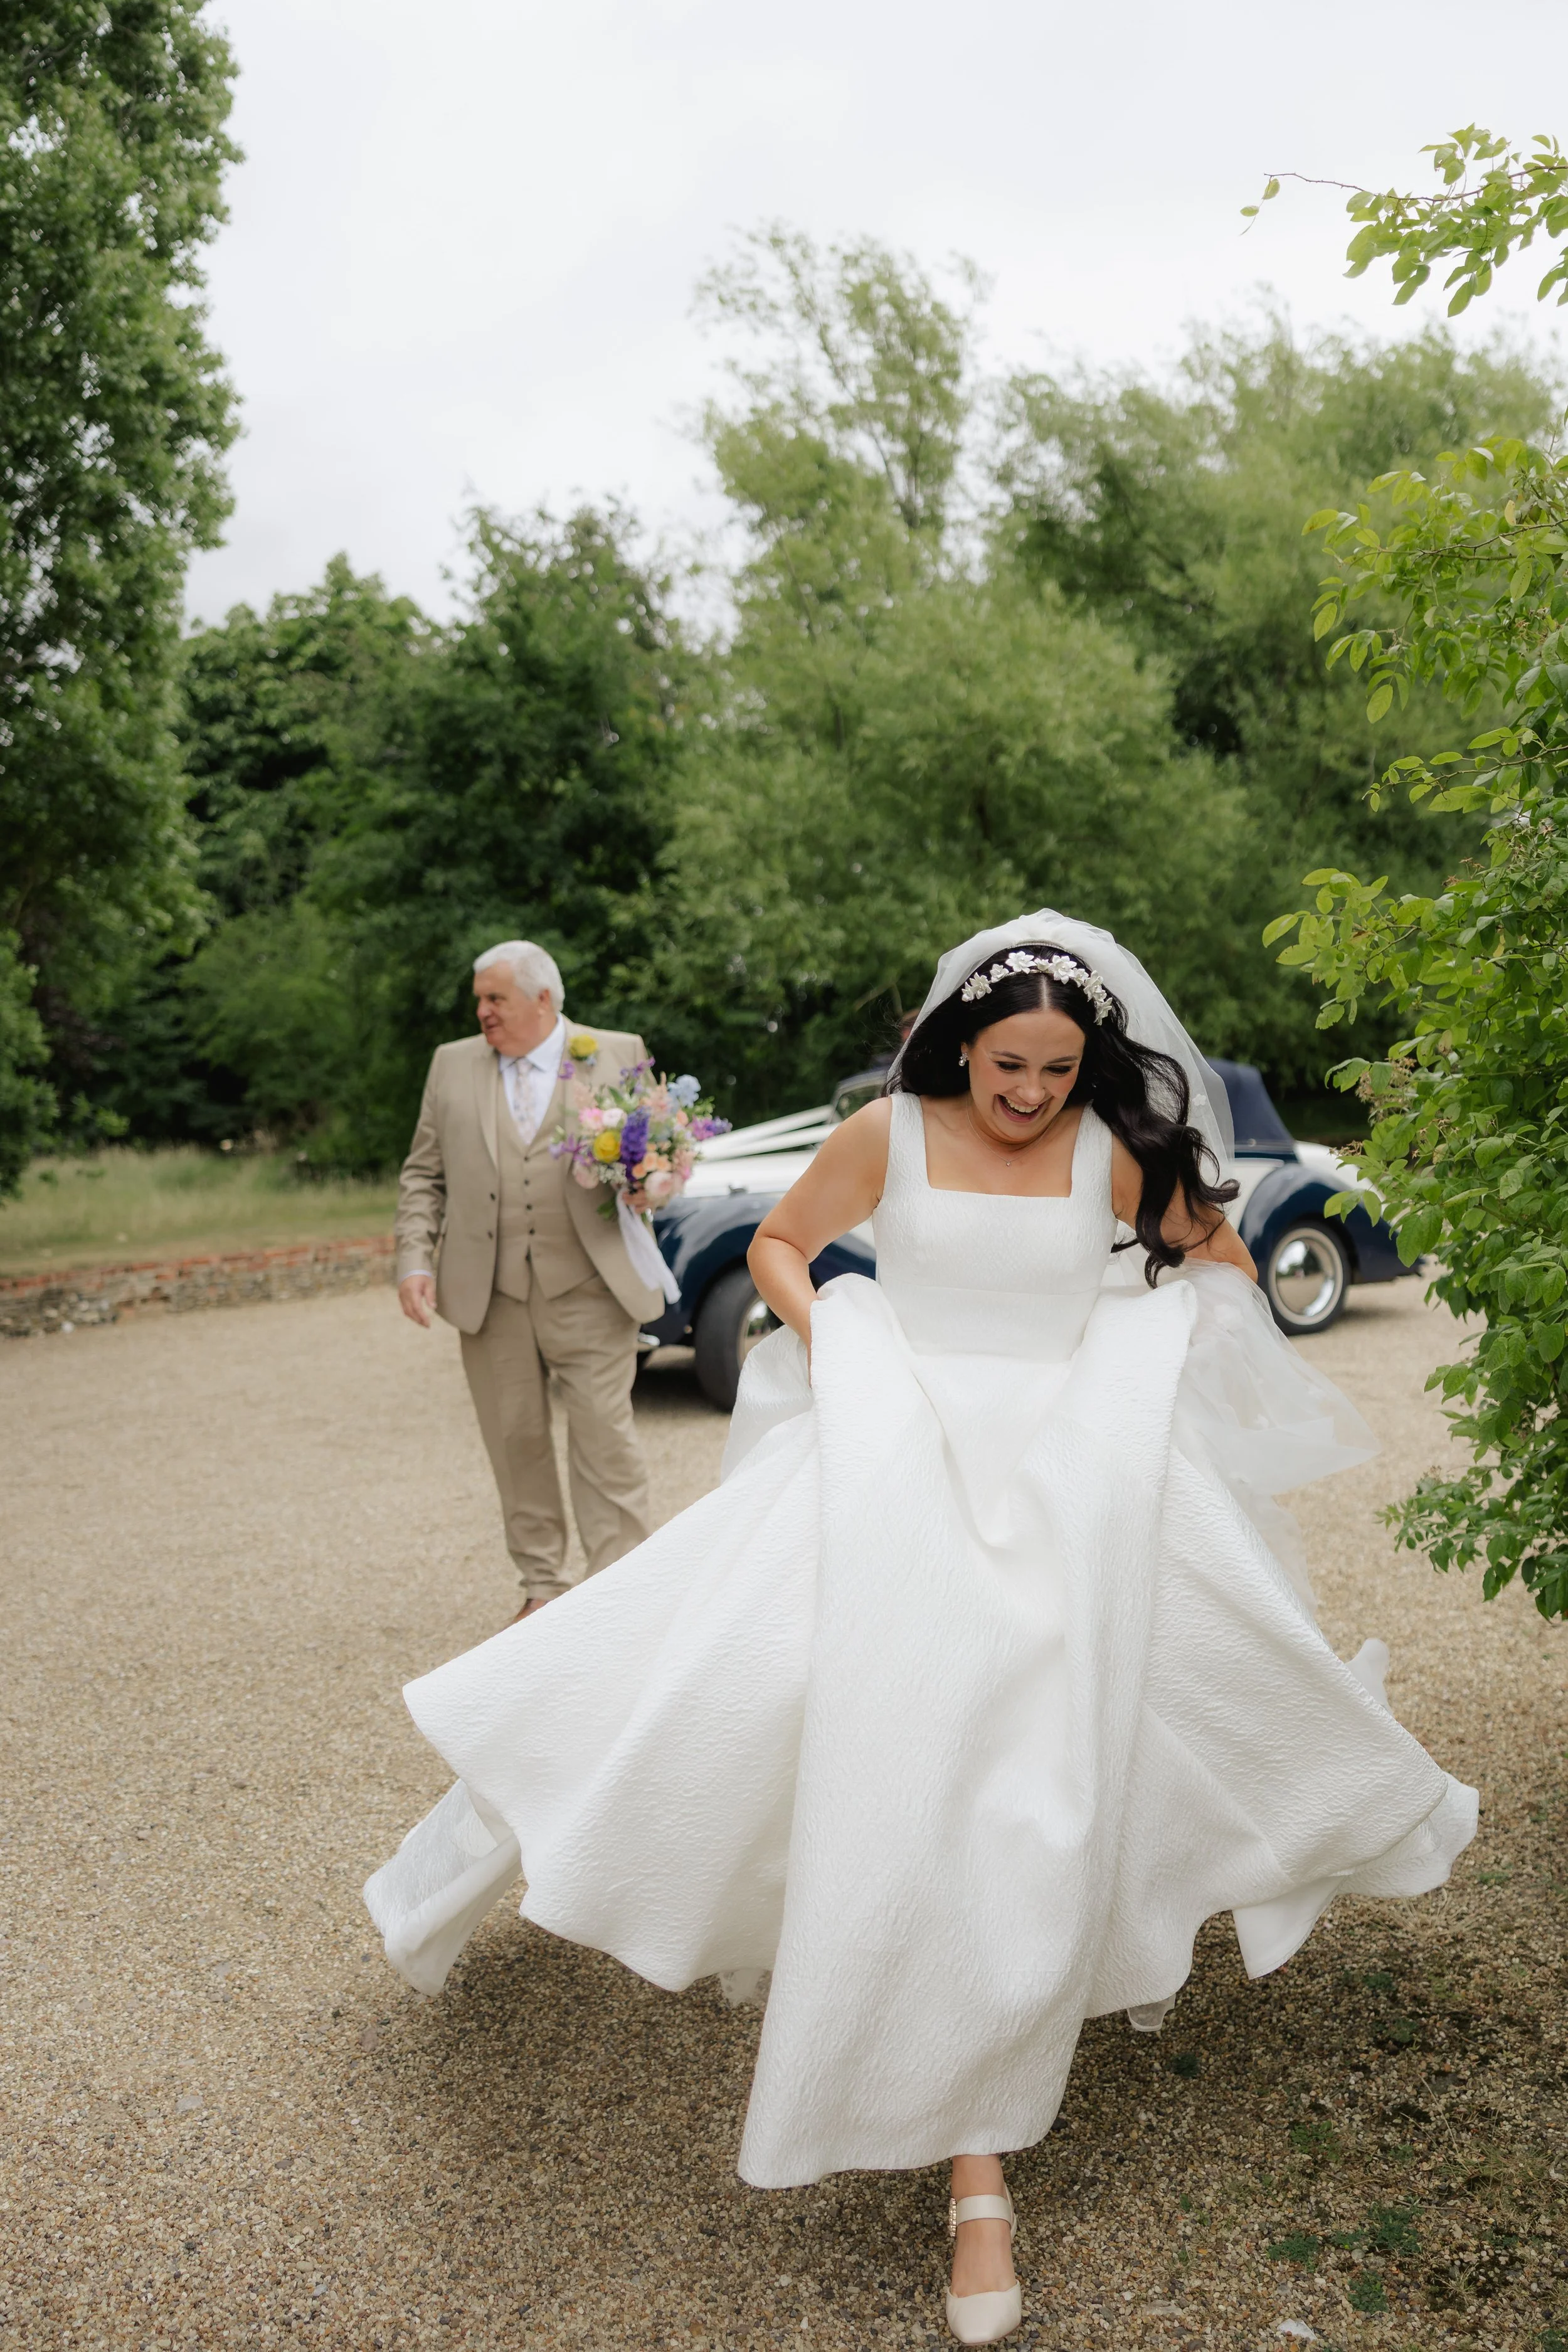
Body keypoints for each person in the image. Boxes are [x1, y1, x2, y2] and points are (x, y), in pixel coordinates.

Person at [367, 911, 1476, 2346]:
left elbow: (1218, 1264)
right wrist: (832, 1332)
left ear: (1091, 1060)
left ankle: (982, 2136)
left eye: (1059, 1068)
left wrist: (1145, 1350)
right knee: (738, 1674)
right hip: (903, 1443)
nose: (1029, 1092)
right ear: (965, 1041)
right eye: (1009, 1063)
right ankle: (930, 2109)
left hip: (1068, 1466)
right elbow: (778, 1243)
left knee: (1154, 1699)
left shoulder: (1110, 1148)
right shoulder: (891, 1131)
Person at [394, 940, 667, 1619]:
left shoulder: (616, 1052)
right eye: (479, 1000)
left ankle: (621, 1590)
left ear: (544, 999)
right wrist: (415, 1260)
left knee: (605, 1438)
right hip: (489, 1293)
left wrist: (653, 1184)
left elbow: (660, 1153)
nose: (483, 1012)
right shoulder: (451, 1065)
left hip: (592, 1285)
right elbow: (422, 1173)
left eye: (496, 999)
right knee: (514, 1440)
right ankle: (543, 1585)